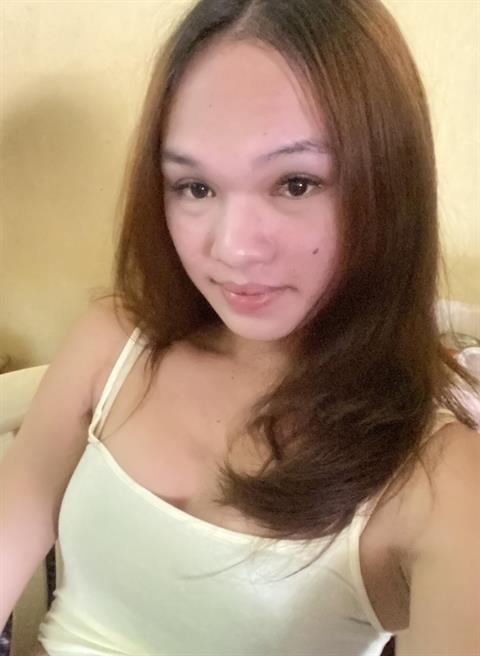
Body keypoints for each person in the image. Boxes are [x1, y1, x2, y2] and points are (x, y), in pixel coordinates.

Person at [1, 0, 479, 654]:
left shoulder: (442, 478)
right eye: (195, 188)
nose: (232, 248)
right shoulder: (114, 340)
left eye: (296, 183)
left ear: (389, 184)